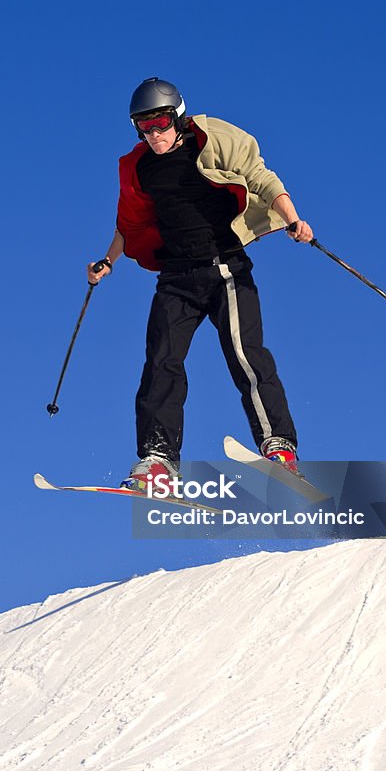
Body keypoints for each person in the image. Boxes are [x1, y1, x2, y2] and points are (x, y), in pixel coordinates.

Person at [87, 77, 314, 492]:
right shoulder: (140, 167)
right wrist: (108, 262)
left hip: (226, 268)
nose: (153, 134)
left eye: (159, 123)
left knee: (246, 356)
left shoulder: (212, 141)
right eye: (144, 126)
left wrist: (292, 217)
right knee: (161, 362)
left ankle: (278, 447)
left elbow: (262, 179)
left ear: (177, 117)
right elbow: (129, 223)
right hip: (176, 277)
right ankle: (158, 460)